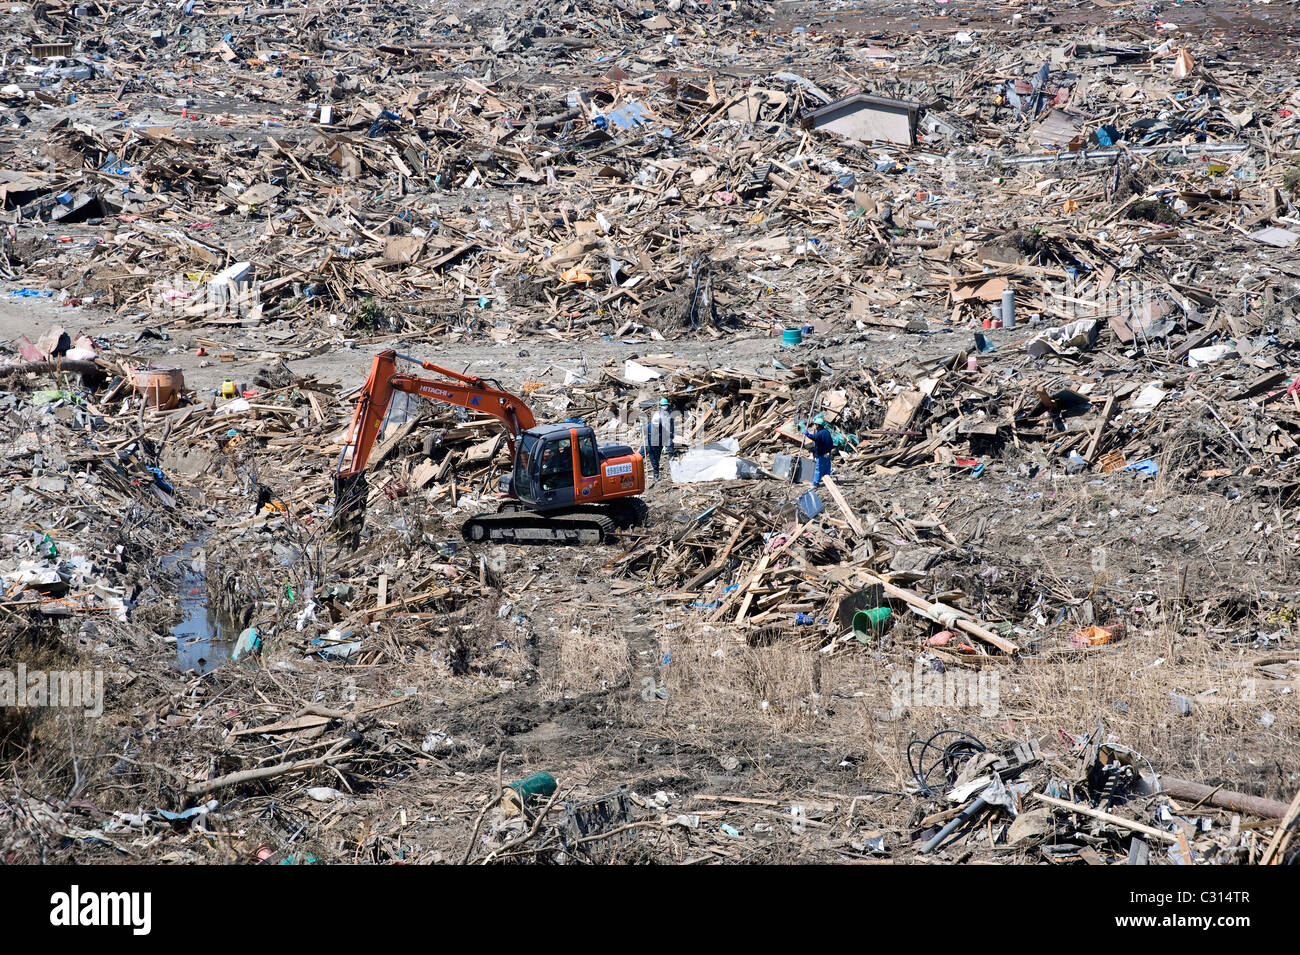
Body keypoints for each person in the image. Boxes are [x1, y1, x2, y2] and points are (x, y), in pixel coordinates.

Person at [644, 397, 675, 481]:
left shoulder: (670, 414)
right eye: (663, 405)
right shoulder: (657, 416)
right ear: (660, 406)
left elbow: (672, 426)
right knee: (655, 458)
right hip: (657, 439)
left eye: (666, 405)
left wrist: (672, 435)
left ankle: (674, 468)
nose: (664, 406)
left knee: (671, 450)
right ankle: (656, 475)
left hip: (667, 435)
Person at [804, 415, 833, 486]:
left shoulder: (820, 433)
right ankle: (827, 481)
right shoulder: (826, 432)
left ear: (818, 425)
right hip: (827, 453)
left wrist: (808, 435)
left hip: (821, 453)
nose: (815, 426)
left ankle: (815, 483)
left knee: (819, 468)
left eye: (815, 424)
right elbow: (831, 443)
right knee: (827, 467)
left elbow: (815, 438)